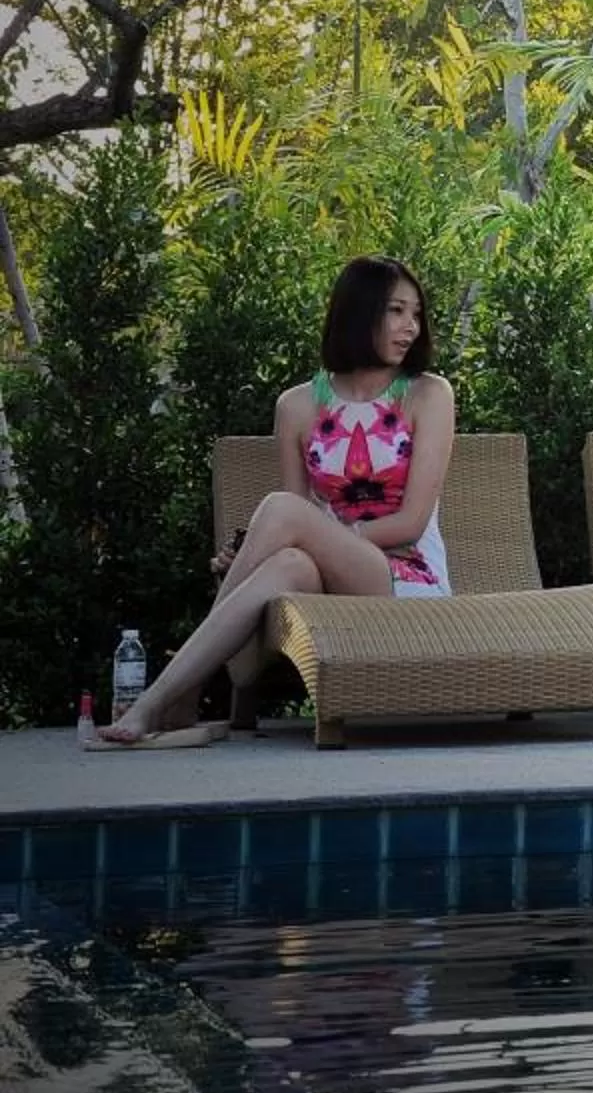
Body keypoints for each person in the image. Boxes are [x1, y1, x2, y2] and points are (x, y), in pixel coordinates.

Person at [91, 255, 456, 749]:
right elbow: (296, 519)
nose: (410, 326)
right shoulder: (298, 405)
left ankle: (171, 697)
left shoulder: (427, 395)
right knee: (286, 559)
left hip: (403, 576)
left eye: (416, 313)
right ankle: (172, 701)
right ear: (357, 311)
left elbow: (410, 523)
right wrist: (266, 548)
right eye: (396, 311)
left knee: (285, 514)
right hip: (324, 576)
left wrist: (316, 534)